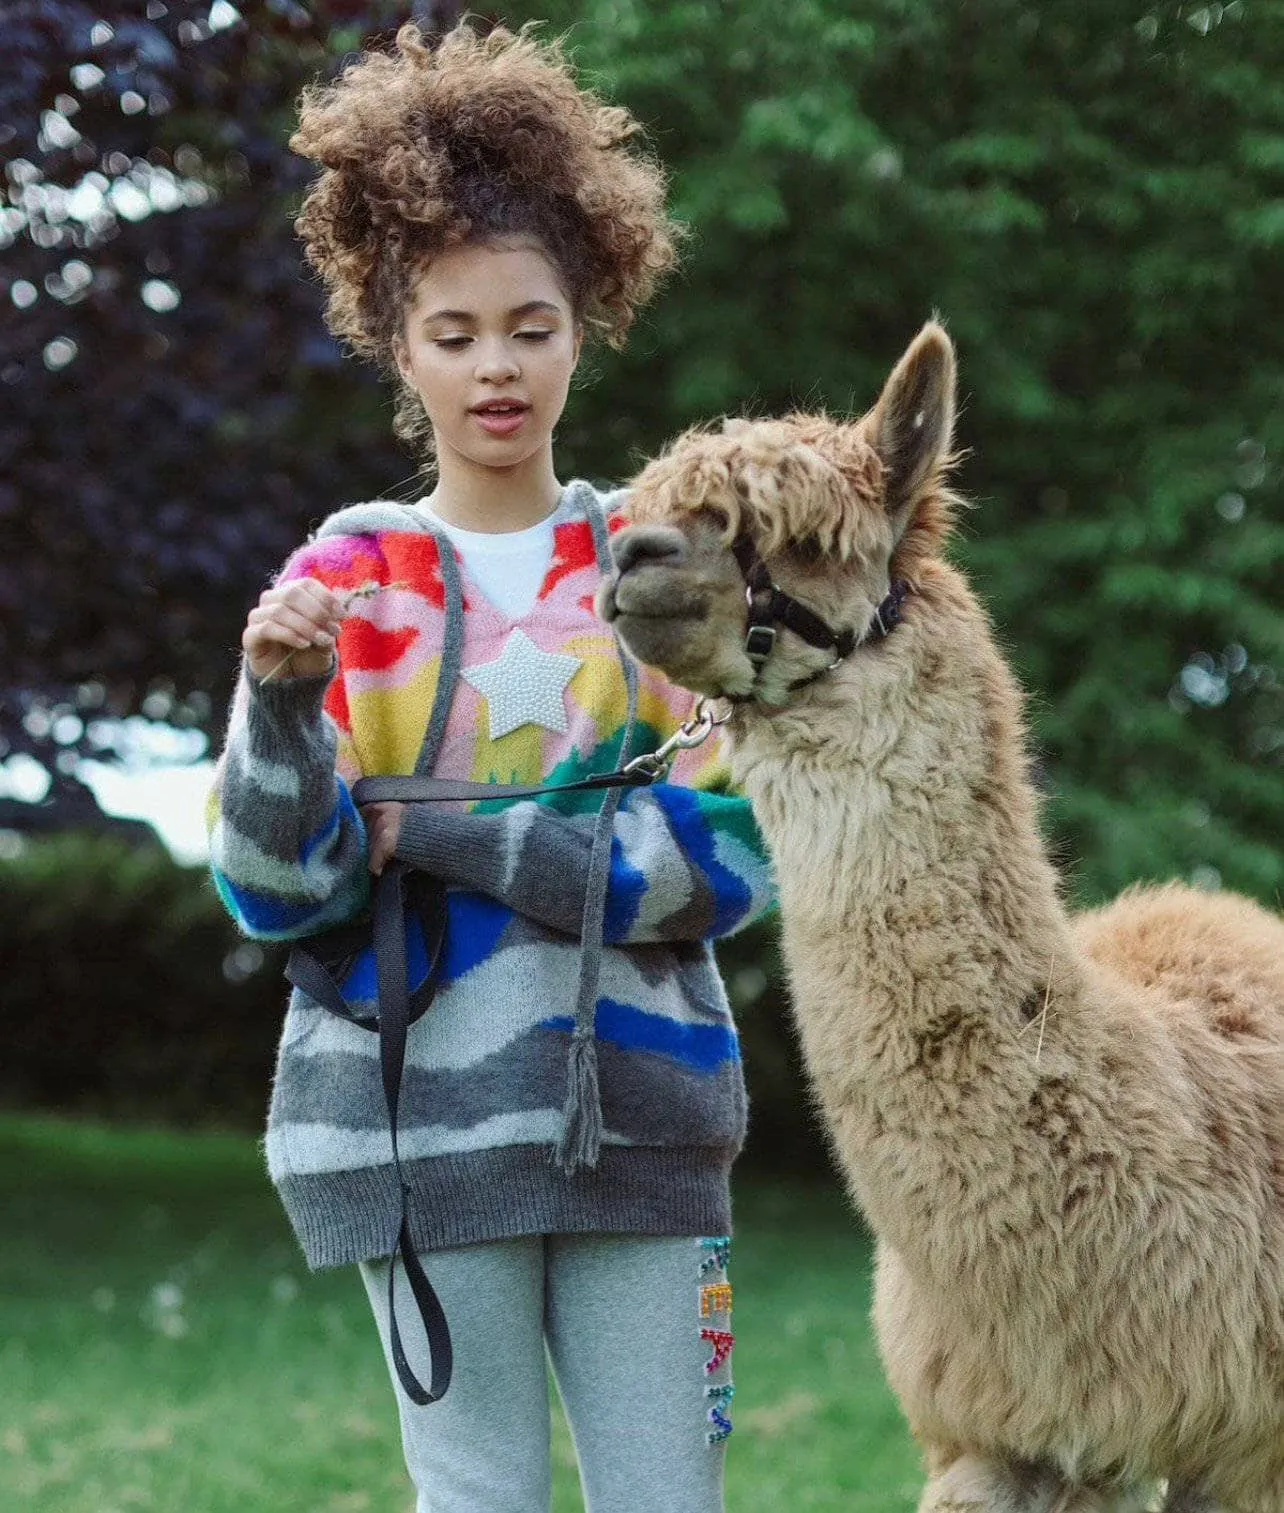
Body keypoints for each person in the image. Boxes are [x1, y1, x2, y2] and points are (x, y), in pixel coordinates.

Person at [206, 20, 775, 1513]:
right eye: (453, 334)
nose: (496, 366)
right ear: (400, 349)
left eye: (530, 323)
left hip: (647, 1127)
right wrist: (280, 712)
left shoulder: (652, 569)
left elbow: (715, 868)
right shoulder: (348, 576)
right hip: (414, 1138)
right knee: (479, 1500)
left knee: (672, 1497)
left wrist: (429, 830)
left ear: (585, 322)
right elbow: (282, 889)